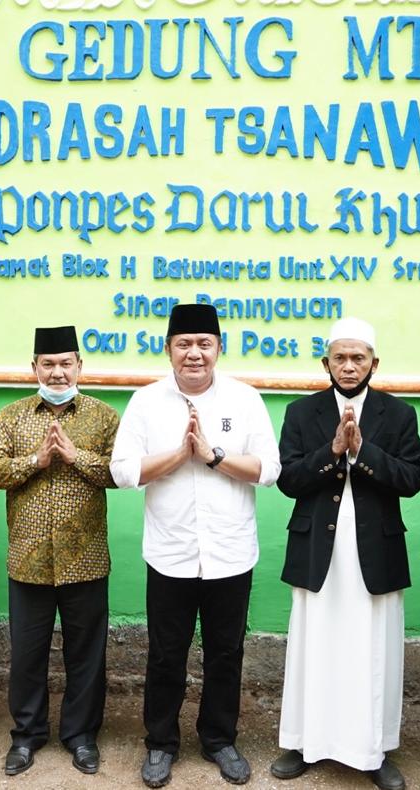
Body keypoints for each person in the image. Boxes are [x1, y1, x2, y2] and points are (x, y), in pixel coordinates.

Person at [110, 303, 281, 788]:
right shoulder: (146, 402)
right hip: (170, 555)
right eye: (184, 344)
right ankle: (161, 743)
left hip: (230, 554)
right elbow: (122, 471)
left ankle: (219, 739)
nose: (194, 353)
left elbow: (269, 470)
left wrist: (213, 456)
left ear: (219, 348)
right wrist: (178, 455)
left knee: (226, 652)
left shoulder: (245, 399)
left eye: (204, 343)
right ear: (168, 349)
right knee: (166, 655)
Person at [269, 317, 420, 790]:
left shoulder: (399, 414)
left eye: (359, 358)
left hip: (375, 552)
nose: (349, 366)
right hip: (319, 549)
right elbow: (288, 479)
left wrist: (362, 453)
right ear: (326, 363)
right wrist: (332, 451)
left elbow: (412, 479)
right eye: (341, 357)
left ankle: (372, 749)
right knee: (315, 646)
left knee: (372, 650)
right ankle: (303, 742)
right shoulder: (301, 412)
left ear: (374, 363)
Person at [0, 326, 120, 778]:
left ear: (79, 366)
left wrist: (77, 456)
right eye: (48, 364)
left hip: (86, 559)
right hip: (29, 560)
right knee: (27, 654)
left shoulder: (103, 416)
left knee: (86, 655)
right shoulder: (12, 416)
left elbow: (121, 473)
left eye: (65, 363)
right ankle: (27, 735)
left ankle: (81, 736)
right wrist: (34, 462)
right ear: (34, 367)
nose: (57, 372)